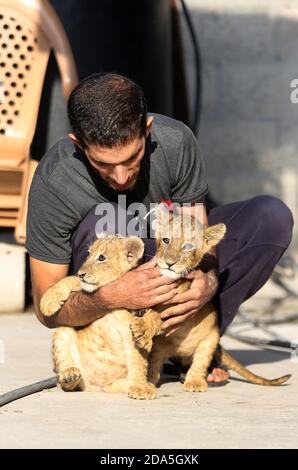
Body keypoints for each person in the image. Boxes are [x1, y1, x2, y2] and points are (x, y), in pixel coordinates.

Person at [26, 72, 294, 384]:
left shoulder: (175, 141)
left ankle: (186, 348)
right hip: (106, 289)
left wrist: (208, 281)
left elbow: (198, 236)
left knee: (270, 218)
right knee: (109, 217)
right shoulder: (55, 179)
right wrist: (111, 296)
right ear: (78, 144)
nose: (122, 177)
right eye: (104, 165)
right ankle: (133, 354)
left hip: (167, 256)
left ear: (147, 130)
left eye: (132, 158)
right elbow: (47, 309)